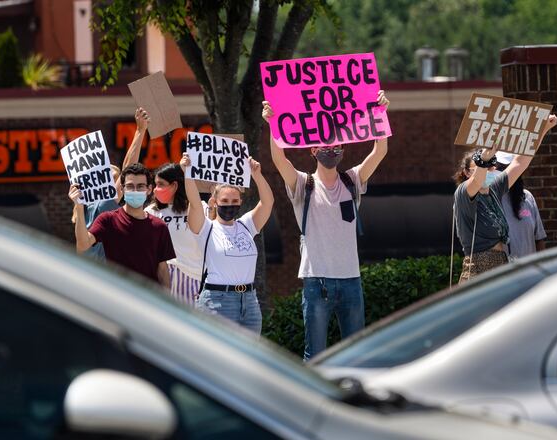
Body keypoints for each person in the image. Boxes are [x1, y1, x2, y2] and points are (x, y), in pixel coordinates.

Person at [262, 90, 390, 361]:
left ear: (342, 151)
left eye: (336, 147)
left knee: (357, 353)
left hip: (351, 281)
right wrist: (273, 125)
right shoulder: (302, 183)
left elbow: (380, 151)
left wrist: (380, 113)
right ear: (313, 150)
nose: (331, 151)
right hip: (316, 281)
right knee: (315, 354)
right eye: (325, 146)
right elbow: (279, 160)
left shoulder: (352, 181)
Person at [454, 114, 557, 283]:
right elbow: (478, 179)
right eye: (486, 165)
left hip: (501, 264)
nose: (491, 168)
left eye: (493, 164)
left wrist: (542, 130)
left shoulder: (494, 189)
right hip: (479, 270)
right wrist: (484, 159)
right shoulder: (463, 193)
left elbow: (519, 163)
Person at [182, 154, 274, 334]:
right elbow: (194, 203)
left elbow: (268, 202)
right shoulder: (206, 228)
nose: (229, 205)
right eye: (224, 201)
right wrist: (187, 173)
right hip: (217, 301)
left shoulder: (246, 225)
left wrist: (257, 175)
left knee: (248, 357)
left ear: (240, 202)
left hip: (249, 301)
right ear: (215, 202)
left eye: (234, 201)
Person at [71, 163, 175, 288]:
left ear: (149, 189)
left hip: (148, 300)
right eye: (130, 186)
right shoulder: (107, 219)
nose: (135, 191)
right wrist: (79, 206)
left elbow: (163, 270)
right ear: (122, 189)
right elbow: (82, 245)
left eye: (140, 186)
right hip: (118, 298)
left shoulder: (159, 227)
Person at [72, 107, 150, 259]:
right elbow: (129, 170)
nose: (118, 183)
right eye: (114, 178)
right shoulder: (104, 204)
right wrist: (140, 131)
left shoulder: (85, 209)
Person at [146, 163, 208, 305]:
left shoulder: (200, 208)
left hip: (194, 279)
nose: (156, 190)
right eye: (155, 185)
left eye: (161, 184)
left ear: (174, 185)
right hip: (162, 279)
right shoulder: (151, 211)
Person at [493, 152, 546, 259]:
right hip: (504, 273)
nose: (505, 173)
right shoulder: (490, 198)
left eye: (507, 167)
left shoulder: (528, 197)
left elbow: (539, 239)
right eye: (500, 167)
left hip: (531, 271)